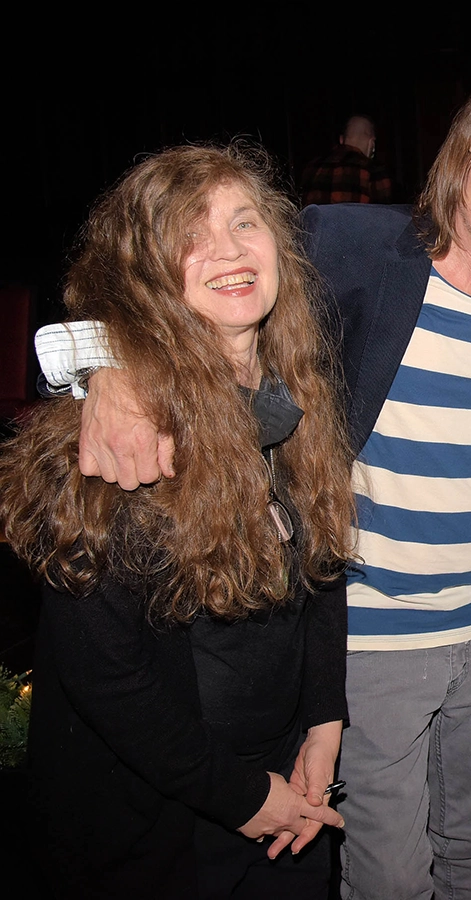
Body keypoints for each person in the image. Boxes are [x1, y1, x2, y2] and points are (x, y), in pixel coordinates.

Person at [36, 77, 471, 900]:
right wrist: (105, 365)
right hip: (377, 638)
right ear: (458, 166)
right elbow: (165, 279)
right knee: (391, 877)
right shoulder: (356, 249)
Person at [1, 144, 356, 898]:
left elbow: (321, 570)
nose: (227, 250)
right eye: (191, 238)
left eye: (244, 222)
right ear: (144, 277)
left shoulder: (297, 393)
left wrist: (324, 728)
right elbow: (107, 679)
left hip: (289, 781)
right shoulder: (118, 438)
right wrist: (244, 799)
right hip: (167, 824)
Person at [299, 114, 393, 206]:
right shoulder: (374, 170)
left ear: (341, 139)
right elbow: (384, 215)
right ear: (372, 142)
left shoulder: (311, 167)